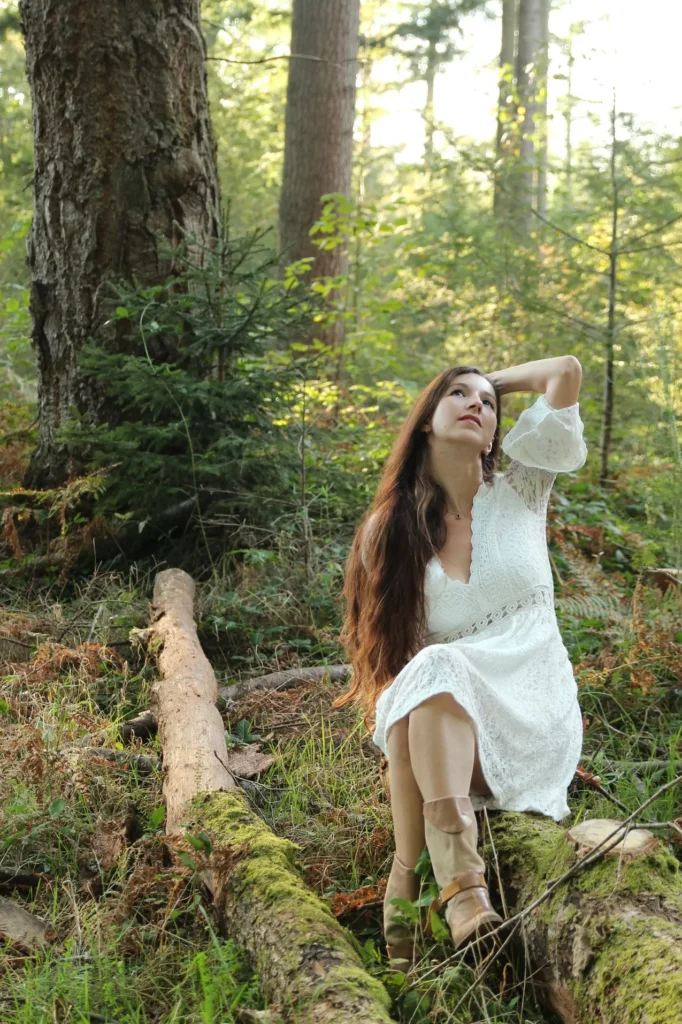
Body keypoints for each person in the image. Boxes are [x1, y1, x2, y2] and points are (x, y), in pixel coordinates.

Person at [332, 356, 588, 970]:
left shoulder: (524, 487)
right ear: (425, 421)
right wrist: (469, 390)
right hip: (450, 722)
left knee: (437, 669)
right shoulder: (387, 531)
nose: (478, 405)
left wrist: (487, 382)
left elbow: (565, 372)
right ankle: (464, 893)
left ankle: (409, 883)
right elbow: (399, 666)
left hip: (534, 705)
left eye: (488, 404)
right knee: (430, 673)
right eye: (458, 396)